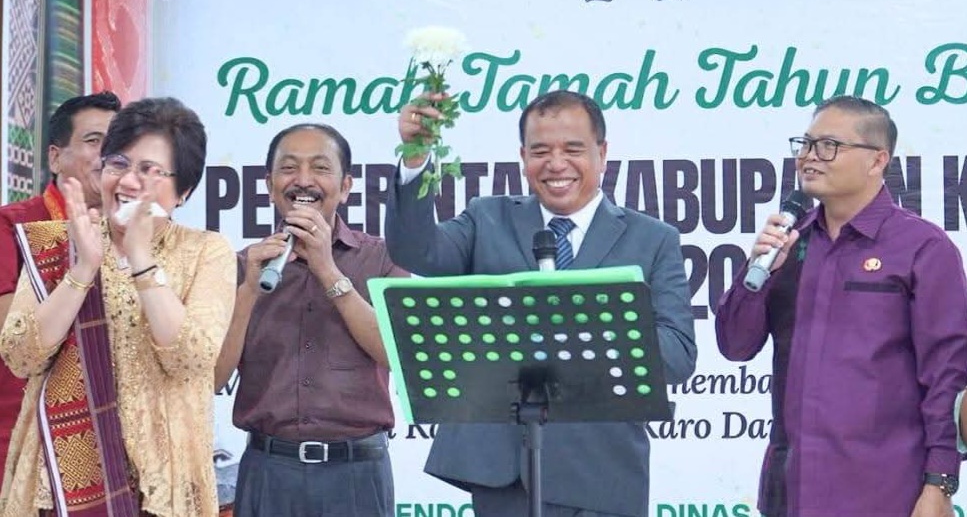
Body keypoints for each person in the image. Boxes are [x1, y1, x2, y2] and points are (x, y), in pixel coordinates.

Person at [385, 89, 697, 517]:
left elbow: (678, 355)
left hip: (601, 476)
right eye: (540, 151)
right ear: (522, 157)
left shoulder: (653, 239)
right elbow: (416, 252)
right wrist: (416, 159)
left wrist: (587, 324)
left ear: (603, 154)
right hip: (503, 476)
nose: (556, 164)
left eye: (573, 149)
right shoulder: (488, 218)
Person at [715, 96, 967, 517]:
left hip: (884, 491)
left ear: (877, 160)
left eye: (829, 145)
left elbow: (948, 374)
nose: (810, 157)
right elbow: (734, 345)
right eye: (806, 144)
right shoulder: (789, 242)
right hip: (790, 491)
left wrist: (939, 482)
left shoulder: (922, 247)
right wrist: (757, 273)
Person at [0, 97, 236, 516]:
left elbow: (191, 358)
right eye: (119, 164)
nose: (128, 181)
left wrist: (142, 260)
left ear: (183, 191)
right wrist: (82, 269)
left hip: (161, 485)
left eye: (149, 170)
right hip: (63, 484)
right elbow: (20, 356)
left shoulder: (206, 252)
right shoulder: (58, 243)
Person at [213, 123, 408, 517]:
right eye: (289, 168)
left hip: (356, 473)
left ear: (346, 186)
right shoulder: (242, 266)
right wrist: (248, 291)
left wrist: (327, 270)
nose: (303, 180)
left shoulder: (383, 258)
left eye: (320, 167)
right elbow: (212, 378)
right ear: (269, 186)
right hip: (268, 470)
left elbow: (398, 354)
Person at [0, 91, 120, 473]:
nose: (109, 153)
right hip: (23, 448)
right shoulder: (13, 225)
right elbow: (11, 335)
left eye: (119, 142)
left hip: (110, 450)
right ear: (55, 157)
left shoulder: (136, 234)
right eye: (93, 140)